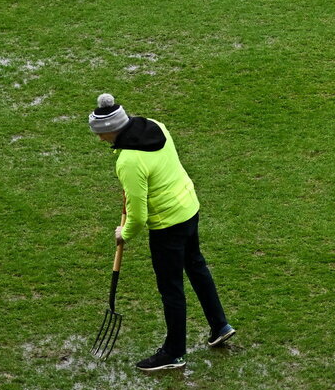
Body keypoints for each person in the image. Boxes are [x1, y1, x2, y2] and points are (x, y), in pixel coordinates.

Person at [88, 93, 234, 371]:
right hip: (189, 207)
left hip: (167, 225)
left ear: (112, 130)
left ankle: (174, 352)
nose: (99, 139)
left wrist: (124, 233)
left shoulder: (129, 161)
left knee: (171, 289)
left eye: (101, 134)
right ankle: (220, 325)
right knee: (196, 266)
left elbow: (139, 215)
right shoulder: (156, 125)